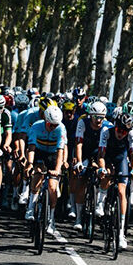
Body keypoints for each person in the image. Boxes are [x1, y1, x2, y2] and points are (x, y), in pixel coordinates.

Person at [95, 111, 133, 250]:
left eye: (125, 132)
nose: (121, 134)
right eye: (120, 130)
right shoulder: (106, 131)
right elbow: (101, 155)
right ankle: (101, 201)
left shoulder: (131, 134)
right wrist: (101, 168)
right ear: (115, 126)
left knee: (121, 191)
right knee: (107, 174)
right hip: (107, 157)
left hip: (121, 158)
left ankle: (120, 232)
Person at [25, 104, 67, 235]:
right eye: (51, 125)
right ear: (45, 121)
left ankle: (51, 218)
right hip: (39, 152)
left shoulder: (61, 128)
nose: (53, 128)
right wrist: (30, 164)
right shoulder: (36, 126)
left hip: (53, 154)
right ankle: (31, 207)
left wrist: (57, 169)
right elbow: (31, 148)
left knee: (53, 186)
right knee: (37, 175)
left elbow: (61, 151)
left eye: (55, 125)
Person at [69, 100, 107, 229]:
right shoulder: (83, 122)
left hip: (99, 152)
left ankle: (100, 203)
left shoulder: (107, 126)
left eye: (102, 117)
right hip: (85, 151)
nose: (99, 120)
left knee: (104, 173)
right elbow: (78, 143)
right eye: (96, 117)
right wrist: (79, 161)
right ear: (91, 116)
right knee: (82, 180)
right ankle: (79, 217)